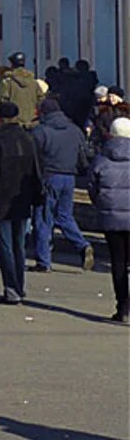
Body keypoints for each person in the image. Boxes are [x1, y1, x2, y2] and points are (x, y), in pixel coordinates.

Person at [0, 102, 43, 304]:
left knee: (5, 245)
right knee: (19, 244)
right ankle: (19, 286)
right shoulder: (28, 138)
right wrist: (36, 195)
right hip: (23, 198)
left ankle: (11, 287)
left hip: (3, 198)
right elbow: (35, 169)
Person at [31, 97, 94, 272]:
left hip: (49, 175)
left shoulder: (40, 131)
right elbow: (83, 157)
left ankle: (44, 261)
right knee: (65, 216)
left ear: (43, 112)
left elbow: (34, 159)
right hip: (69, 177)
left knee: (44, 218)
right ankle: (82, 244)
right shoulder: (74, 130)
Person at [88, 117, 130, 324]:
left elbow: (92, 187)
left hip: (111, 216)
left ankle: (122, 306)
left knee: (118, 262)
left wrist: (102, 204)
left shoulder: (102, 158)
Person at [0, 52, 42, 130]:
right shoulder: (34, 83)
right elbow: (41, 101)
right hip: (32, 123)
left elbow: (1, 104)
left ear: (12, 64)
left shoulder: (7, 83)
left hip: (13, 124)